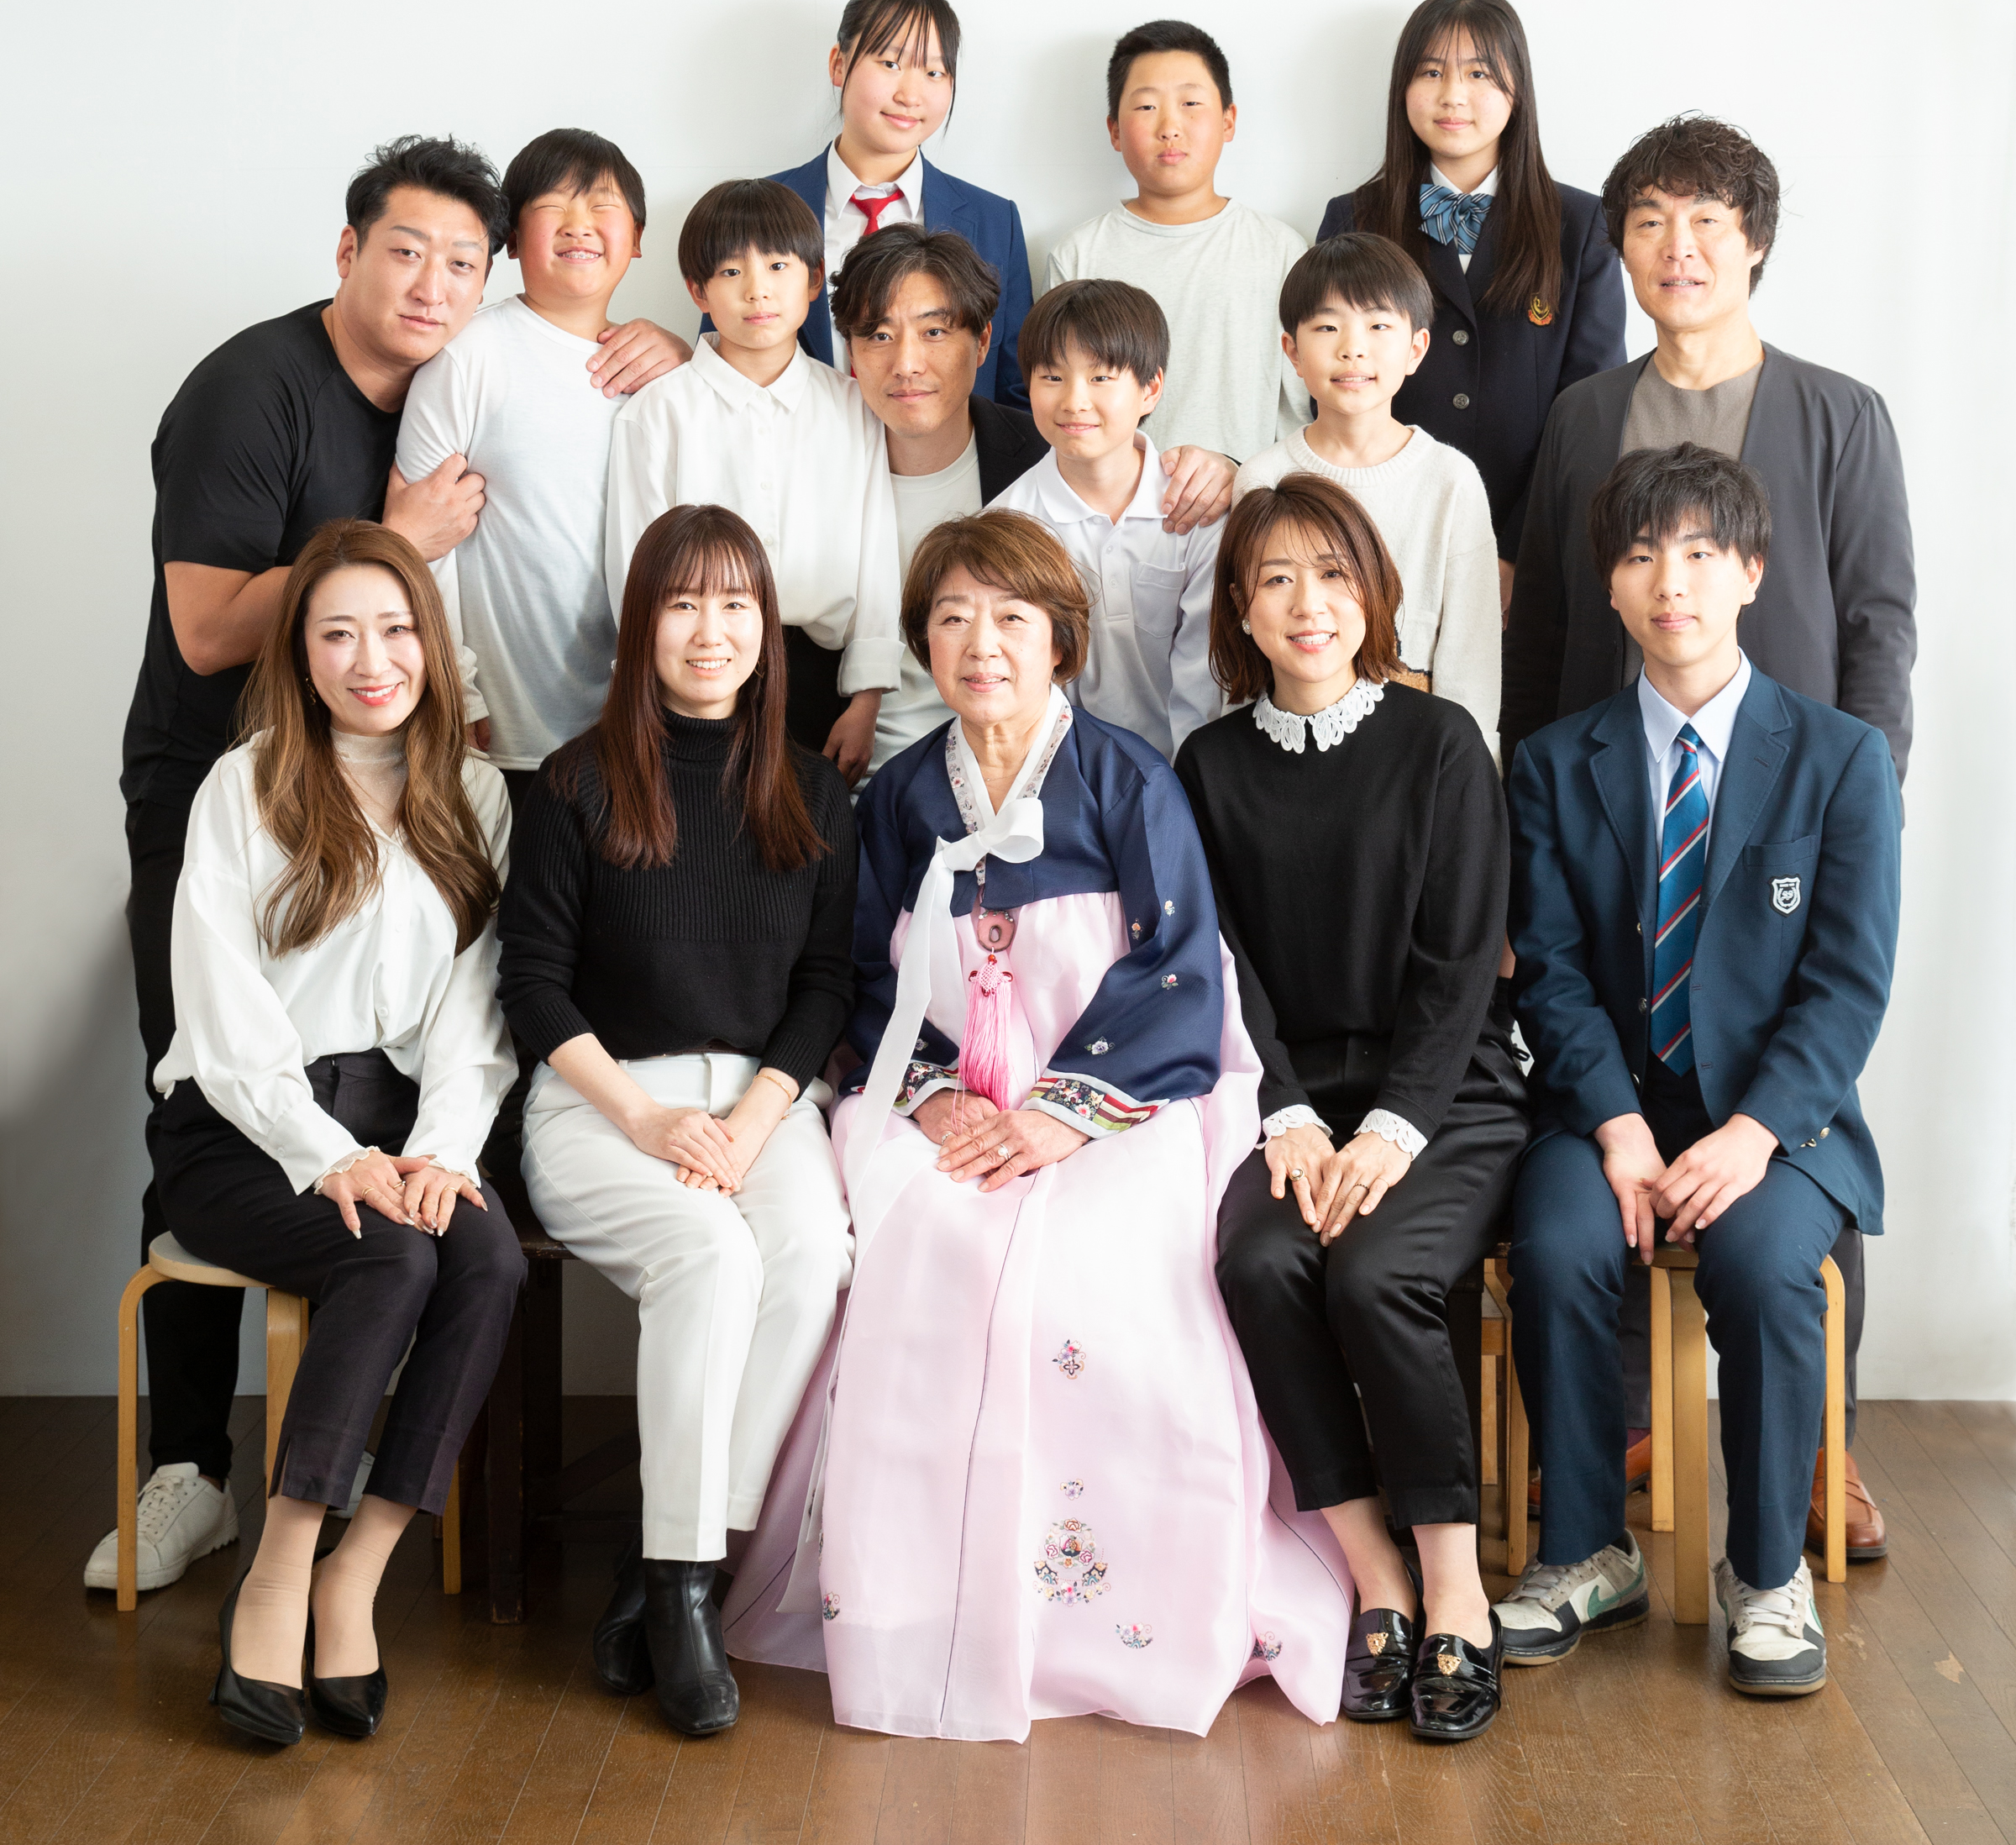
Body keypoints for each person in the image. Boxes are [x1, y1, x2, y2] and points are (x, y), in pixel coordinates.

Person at [724, 512, 1352, 1742]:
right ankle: (915, 1604)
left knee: (1103, 1270)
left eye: (1012, 618)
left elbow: (1181, 972)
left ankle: (1109, 1614)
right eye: (953, 619)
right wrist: (937, 1097)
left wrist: (1064, 1115)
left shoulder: (1130, 779)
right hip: (946, 1101)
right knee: (920, 1239)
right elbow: (864, 980)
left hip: (1121, 1102)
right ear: (923, 643)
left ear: (1061, 639)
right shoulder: (899, 798)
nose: (983, 645)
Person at [98, 134, 504, 1601]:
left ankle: (350, 1469)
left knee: (409, 1121)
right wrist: (393, 540)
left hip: (390, 790)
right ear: (347, 252)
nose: (432, 284)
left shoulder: (453, 392)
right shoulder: (253, 387)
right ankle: (189, 1471)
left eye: (464, 263)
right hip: (227, 792)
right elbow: (209, 628)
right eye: (406, 250)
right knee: (205, 1095)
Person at [1503, 115, 1914, 1555]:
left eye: (1708, 224)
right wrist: (1524, 836)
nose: (1678, 250)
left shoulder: (1838, 413)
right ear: (1621, 247)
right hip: (1608, 812)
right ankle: (1617, 1429)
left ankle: (1818, 1450)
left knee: (1789, 1102)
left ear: (1756, 243)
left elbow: (1879, 626)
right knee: (1610, 1100)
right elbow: (1542, 639)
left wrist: (1864, 815)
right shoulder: (1582, 418)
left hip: (1787, 825)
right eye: (1650, 223)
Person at [1500, 449, 1899, 1696]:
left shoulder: (1839, 758)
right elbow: (1551, 971)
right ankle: (1586, 1553)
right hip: (1606, 1105)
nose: (1667, 581)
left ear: (1751, 573)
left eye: (1697, 552)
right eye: (1638, 556)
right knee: (1557, 1247)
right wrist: (1617, 1125)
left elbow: (1849, 984)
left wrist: (1755, 1133)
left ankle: (1766, 1574)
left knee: (1765, 1265)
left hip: (1779, 1120)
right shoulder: (1552, 763)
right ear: (1611, 588)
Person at [148, 522, 526, 1746]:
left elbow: (476, 1010)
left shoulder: (475, 794)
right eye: (339, 634)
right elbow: (223, 1016)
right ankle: (279, 1570)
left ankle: (355, 1574)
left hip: (405, 1120)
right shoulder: (243, 785)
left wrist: (445, 1154)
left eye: (397, 629)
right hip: (244, 1126)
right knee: (389, 1254)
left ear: (433, 642)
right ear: (301, 655)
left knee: (485, 1258)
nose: (373, 660)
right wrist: (329, 1156)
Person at [500, 507, 856, 1738]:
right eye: (684, 603)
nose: (713, 631)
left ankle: (669, 1574)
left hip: (761, 1099)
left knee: (808, 1256)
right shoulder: (573, 783)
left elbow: (827, 986)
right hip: (600, 1099)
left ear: (768, 626)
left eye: (736, 604)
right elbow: (532, 986)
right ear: (642, 624)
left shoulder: (813, 788)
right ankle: (684, 1595)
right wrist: (648, 1119)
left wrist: (756, 1117)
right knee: (711, 1255)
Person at [1181, 480, 1526, 1742]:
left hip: (1446, 1090)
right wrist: (1285, 1111)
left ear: (1374, 591)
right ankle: (1374, 1572)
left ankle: (1454, 1588)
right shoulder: (1210, 765)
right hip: (1289, 1103)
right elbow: (1222, 963)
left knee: (1378, 1274)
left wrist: (1390, 1127)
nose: (1308, 604)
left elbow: (1460, 962)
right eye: (1275, 579)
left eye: (1332, 574)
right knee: (1260, 1261)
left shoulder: (1441, 744)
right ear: (1240, 610)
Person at [397, 127, 680, 815]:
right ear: (511, 240)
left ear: (637, 238)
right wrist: (456, 688)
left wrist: (687, 357)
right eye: (554, 205)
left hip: (636, 731)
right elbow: (421, 543)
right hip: (501, 731)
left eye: (602, 205)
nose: (579, 223)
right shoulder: (469, 355)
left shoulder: (663, 371)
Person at [1317, 0, 1625, 617]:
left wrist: (1514, 551)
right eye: (1431, 72)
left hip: (1535, 553)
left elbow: (1590, 409)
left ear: (1518, 91)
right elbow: (1329, 388)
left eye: (1479, 74)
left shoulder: (1579, 225)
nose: (1453, 95)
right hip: (1375, 543)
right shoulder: (1354, 219)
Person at [604, 179, 901, 784]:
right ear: (698, 291)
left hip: (823, 678)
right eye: (732, 271)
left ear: (814, 281)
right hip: (699, 670)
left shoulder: (854, 406)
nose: (757, 289)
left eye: (777, 266)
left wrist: (866, 700)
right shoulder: (658, 411)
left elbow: (877, 557)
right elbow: (634, 565)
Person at [1233, 239, 1501, 743]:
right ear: (1292, 351)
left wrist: (1474, 767)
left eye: (1378, 326)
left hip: (1421, 749)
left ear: (1416, 349)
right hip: (1291, 743)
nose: (1352, 348)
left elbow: (1473, 658)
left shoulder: (1450, 479)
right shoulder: (1262, 478)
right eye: (1327, 327)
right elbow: (1249, 639)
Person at [1045, 18, 1305, 492]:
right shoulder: (1078, 254)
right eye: (1146, 106)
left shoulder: (1281, 249)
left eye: (1190, 104)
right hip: (1112, 508)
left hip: (1246, 505)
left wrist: (1247, 480)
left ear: (1228, 120)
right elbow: (1061, 403)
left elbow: (1300, 413)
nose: (1170, 127)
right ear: (1115, 130)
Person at [828, 223, 1047, 775]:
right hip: (837, 775)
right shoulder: (811, 464)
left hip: (1012, 774)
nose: (906, 364)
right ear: (850, 350)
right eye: (879, 336)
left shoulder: (1043, 456)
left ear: (982, 342)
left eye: (934, 332)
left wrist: (1219, 468)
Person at [765, 0, 1034, 407]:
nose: (911, 95)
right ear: (838, 65)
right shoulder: (762, 210)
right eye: (890, 63)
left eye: (934, 72)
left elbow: (1018, 393)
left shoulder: (994, 222)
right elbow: (721, 369)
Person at [987, 281, 1221, 759]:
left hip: (1194, 770)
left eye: (1100, 378)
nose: (1074, 401)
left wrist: (1188, 786)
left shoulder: (1199, 507)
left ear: (1150, 389)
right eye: (1052, 377)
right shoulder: (1006, 527)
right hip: (1065, 773)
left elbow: (1208, 680)